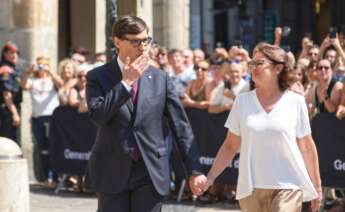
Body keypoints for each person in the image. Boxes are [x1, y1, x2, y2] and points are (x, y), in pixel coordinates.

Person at [85, 15, 206, 212]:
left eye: (146, 40)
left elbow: (180, 126)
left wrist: (194, 169)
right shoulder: (98, 77)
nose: (142, 47)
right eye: (135, 41)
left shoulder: (160, 78)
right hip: (112, 169)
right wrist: (125, 83)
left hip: (150, 171)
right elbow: (98, 116)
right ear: (117, 42)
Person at [195, 43, 322, 212]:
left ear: (278, 68)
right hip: (251, 188)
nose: (253, 68)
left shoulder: (296, 101)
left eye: (259, 63)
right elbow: (230, 146)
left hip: (289, 186)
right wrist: (210, 178)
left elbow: (306, 146)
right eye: (251, 63)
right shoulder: (242, 102)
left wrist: (317, 187)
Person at [21, 56, 62, 184]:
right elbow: (23, 85)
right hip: (37, 117)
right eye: (40, 65)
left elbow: (61, 84)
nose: (41, 67)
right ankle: (43, 176)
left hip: (51, 117)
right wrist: (28, 72)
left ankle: (53, 176)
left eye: (44, 64)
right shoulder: (32, 80)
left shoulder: (51, 79)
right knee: (41, 147)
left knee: (52, 146)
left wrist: (50, 71)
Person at [0, 42, 22, 143]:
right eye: (11, 52)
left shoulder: (12, 69)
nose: (15, 55)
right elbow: (6, 94)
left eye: (16, 53)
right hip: (7, 110)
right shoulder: (5, 71)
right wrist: (14, 113)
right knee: (9, 142)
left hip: (10, 109)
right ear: (5, 54)